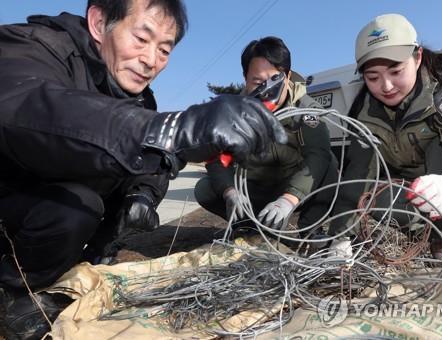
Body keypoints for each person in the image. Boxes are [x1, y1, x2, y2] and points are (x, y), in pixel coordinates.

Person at [0, 1, 287, 338]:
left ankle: (81, 261)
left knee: (119, 195)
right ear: (99, 21)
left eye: (164, 50)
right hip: (12, 205)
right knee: (76, 206)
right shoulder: (31, 46)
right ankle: (13, 295)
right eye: (141, 38)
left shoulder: (138, 98)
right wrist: (167, 130)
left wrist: (143, 195)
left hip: (40, 218)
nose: (151, 60)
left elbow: (151, 162)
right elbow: (33, 108)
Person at [328, 14, 442, 260]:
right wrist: (340, 237)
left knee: (438, 147)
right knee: (370, 197)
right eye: (373, 78)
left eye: (396, 71)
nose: (386, 86)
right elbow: (359, 174)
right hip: (405, 190)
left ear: (417, 58)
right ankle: (419, 225)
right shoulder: (363, 114)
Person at [195, 36, 338, 238]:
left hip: (291, 189)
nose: (266, 89)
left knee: (329, 163)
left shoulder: (305, 109)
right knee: (205, 189)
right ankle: (247, 224)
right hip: (252, 190)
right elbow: (216, 160)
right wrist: (230, 192)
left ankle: (311, 230)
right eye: (257, 82)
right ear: (245, 78)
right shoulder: (231, 113)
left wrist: (288, 199)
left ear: (287, 77)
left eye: (274, 80)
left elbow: (318, 155)